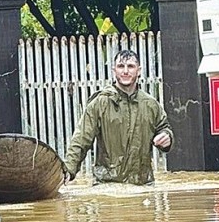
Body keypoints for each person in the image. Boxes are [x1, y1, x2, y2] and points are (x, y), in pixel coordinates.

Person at [62, 49, 173, 186]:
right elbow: (81, 139)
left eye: (130, 66)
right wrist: (68, 170)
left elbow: (164, 128)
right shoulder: (100, 103)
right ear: (114, 70)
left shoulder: (151, 105)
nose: (125, 71)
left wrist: (167, 137)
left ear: (139, 70)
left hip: (144, 186)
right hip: (107, 186)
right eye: (121, 66)